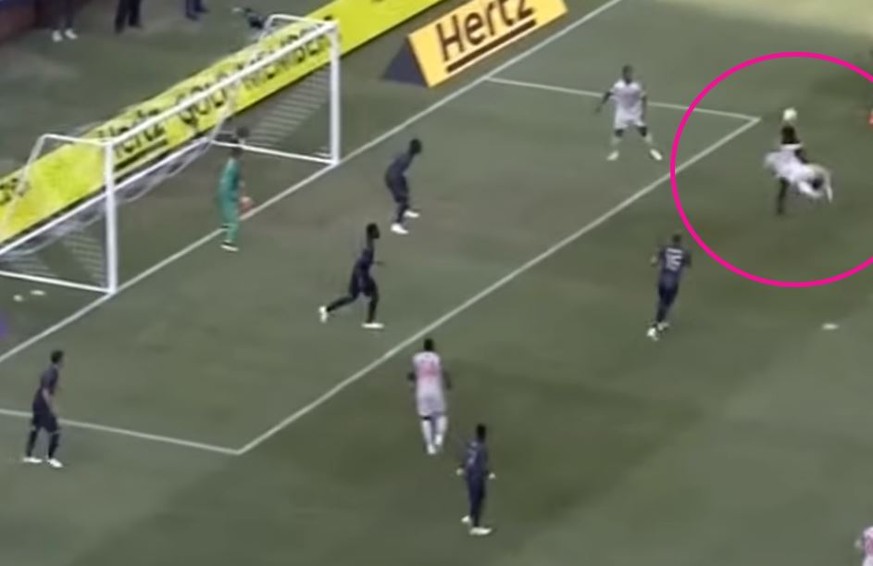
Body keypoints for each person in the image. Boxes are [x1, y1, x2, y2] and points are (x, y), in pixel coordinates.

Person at [319, 223, 384, 330]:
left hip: (357, 273)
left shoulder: (370, 242)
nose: (379, 232)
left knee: (352, 297)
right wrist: (362, 281)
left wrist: (374, 262)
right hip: (361, 275)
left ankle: (326, 309)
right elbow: (362, 263)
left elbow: (363, 260)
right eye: (376, 230)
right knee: (374, 295)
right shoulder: (370, 247)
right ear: (372, 232)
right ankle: (369, 322)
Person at [595, 65, 662, 162]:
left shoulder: (637, 86)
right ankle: (613, 152)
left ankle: (653, 150)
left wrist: (644, 112)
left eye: (631, 73)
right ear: (623, 74)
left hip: (635, 113)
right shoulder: (618, 85)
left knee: (644, 132)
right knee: (617, 134)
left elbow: (644, 98)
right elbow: (608, 94)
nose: (630, 75)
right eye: (628, 73)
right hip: (622, 114)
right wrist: (600, 105)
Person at [23, 350, 65, 469]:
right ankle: (50, 458)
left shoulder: (51, 371)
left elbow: (45, 383)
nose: (64, 361)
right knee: (56, 431)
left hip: (37, 403)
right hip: (43, 406)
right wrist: (52, 407)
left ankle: (28, 455)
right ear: (59, 360)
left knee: (35, 428)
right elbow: (45, 392)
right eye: (63, 359)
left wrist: (57, 387)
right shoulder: (51, 373)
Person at [408, 338, 450, 455]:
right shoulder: (436, 358)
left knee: (425, 418)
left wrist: (411, 386)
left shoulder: (416, 358)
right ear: (433, 347)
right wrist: (448, 383)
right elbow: (444, 372)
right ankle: (439, 438)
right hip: (435, 390)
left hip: (422, 391)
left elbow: (411, 374)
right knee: (441, 415)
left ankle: (430, 446)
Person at [647, 234, 691, 341]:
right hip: (672, 282)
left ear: (672, 240)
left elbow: (653, 262)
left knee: (663, 301)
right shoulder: (685, 252)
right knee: (666, 303)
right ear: (680, 242)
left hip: (662, 280)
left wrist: (656, 261)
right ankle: (654, 328)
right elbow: (686, 267)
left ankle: (661, 322)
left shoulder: (665, 249)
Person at [457, 423, 495, 536]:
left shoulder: (472, 444)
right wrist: (488, 474)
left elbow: (465, 456)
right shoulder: (482, 448)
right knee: (478, 499)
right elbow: (481, 464)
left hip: (469, 474)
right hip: (476, 476)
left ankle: (471, 516)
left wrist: (461, 467)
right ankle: (475, 527)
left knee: (474, 497)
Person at [384, 139, 422, 235]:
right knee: (403, 199)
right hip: (394, 179)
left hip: (391, 175)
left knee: (405, 192)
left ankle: (406, 210)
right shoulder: (407, 159)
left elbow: (395, 160)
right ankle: (396, 224)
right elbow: (400, 172)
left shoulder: (405, 155)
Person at [217, 146, 247, 252]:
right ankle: (228, 242)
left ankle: (225, 225)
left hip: (221, 191)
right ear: (239, 155)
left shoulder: (229, 164)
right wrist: (240, 198)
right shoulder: (235, 167)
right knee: (234, 222)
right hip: (228, 193)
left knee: (225, 208)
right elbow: (237, 183)